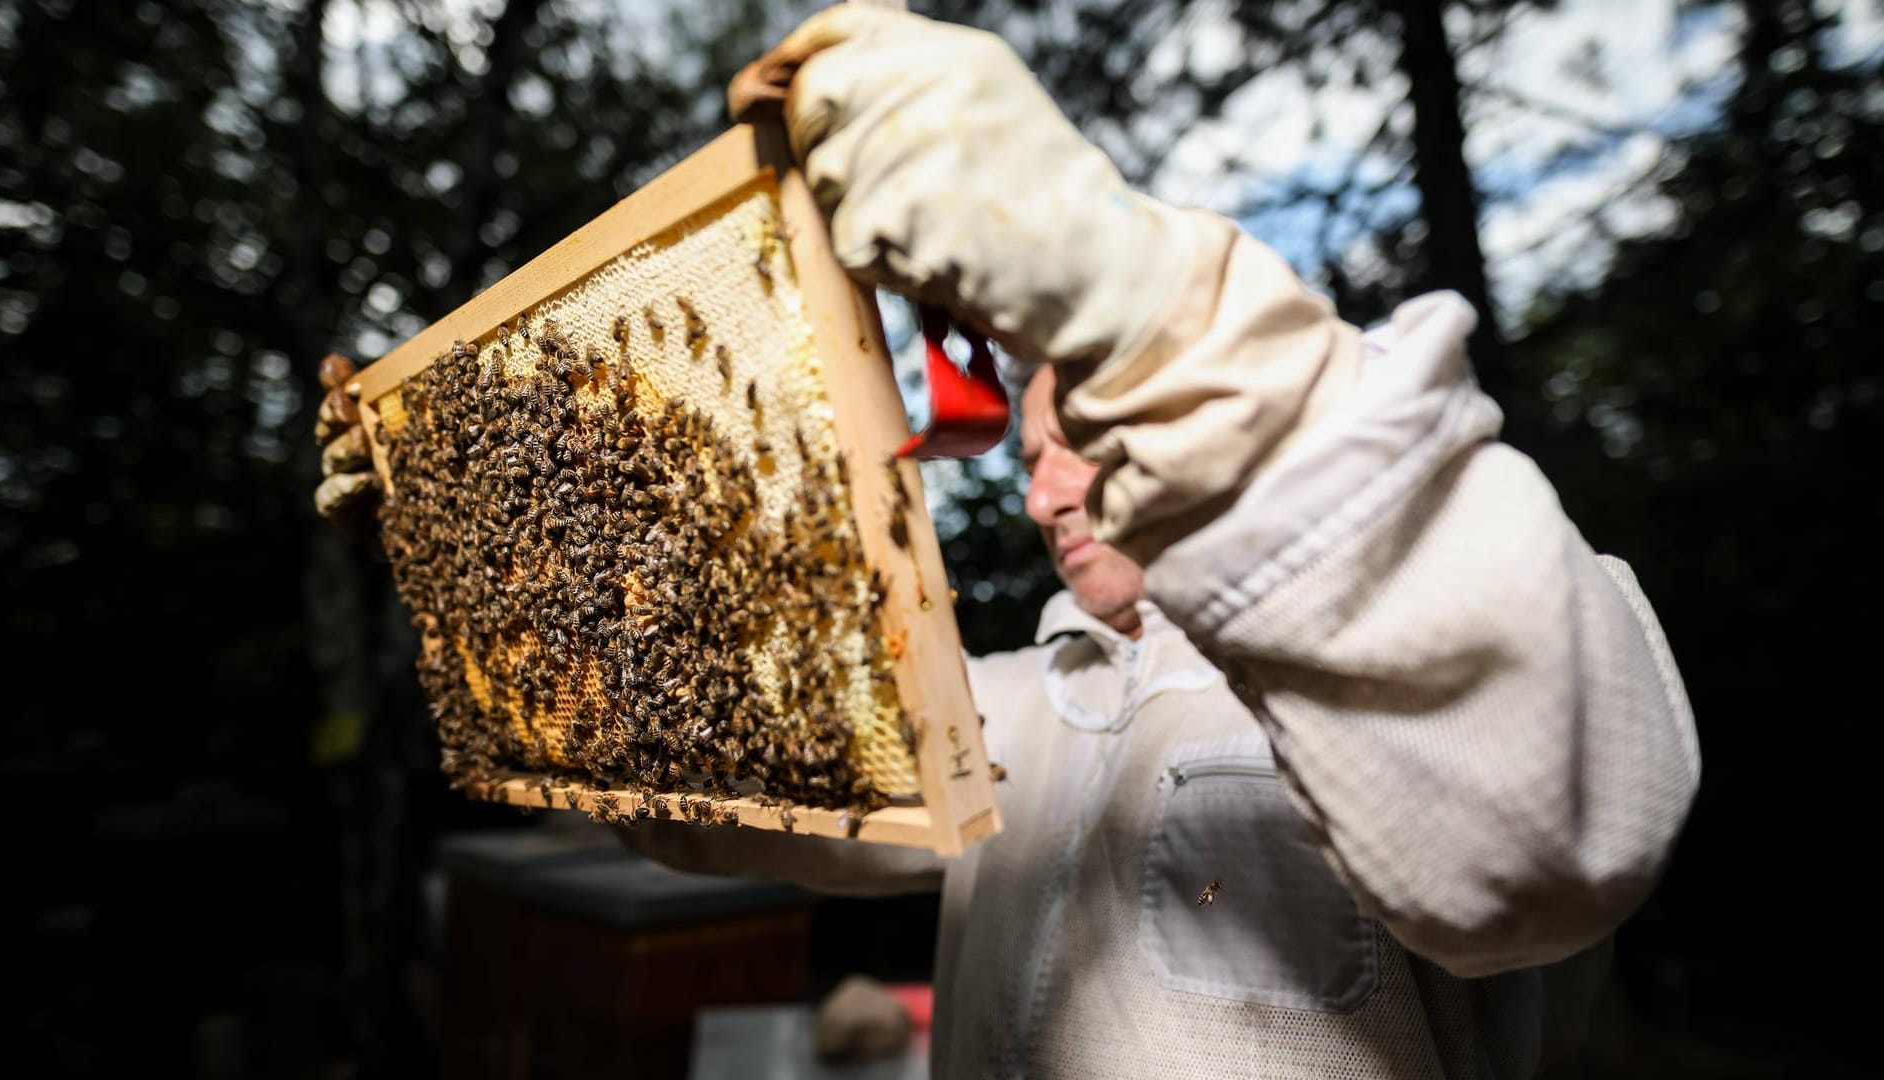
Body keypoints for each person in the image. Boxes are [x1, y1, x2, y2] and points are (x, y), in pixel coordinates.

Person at [314, 8, 1699, 1077]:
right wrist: (480, 562)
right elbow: (703, 792)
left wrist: (1133, 299)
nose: (1049, 492)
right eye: (1025, 449)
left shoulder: (1490, 626)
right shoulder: (1006, 712)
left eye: (1090, 426)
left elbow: (1538, 838)